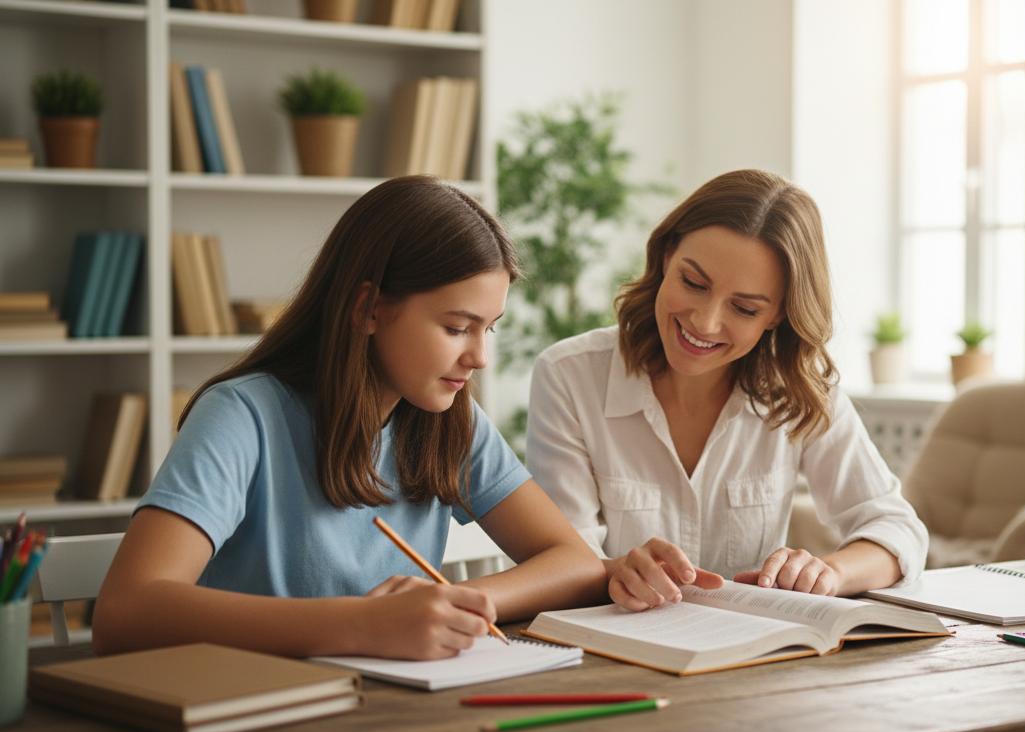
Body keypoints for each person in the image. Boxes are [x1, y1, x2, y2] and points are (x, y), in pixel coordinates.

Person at [95, 176, 606, 658]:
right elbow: (125, 612)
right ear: (368, 308)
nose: (479, 358)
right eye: (456, 327)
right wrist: (367, 623)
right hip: (253, 710)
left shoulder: (451, 421)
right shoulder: (243, 415)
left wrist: (457, 604)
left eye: (488, 329)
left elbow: (576, 563)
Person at [526, 169, 928, 612]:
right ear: (666, 258)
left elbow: (897, 530)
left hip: (755, 662)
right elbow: (562, 561)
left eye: (744, 307)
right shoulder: (569, 376)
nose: (705, 322)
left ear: (776, 315)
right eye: (693, 283)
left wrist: (830, 572)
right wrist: (615, 573)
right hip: (612, 653)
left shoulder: (800, 391)